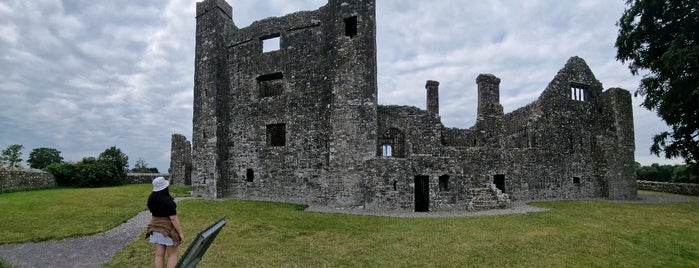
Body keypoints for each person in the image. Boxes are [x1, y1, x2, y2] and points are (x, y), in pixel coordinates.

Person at [145, 177, 184, 268]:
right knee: (172, 255)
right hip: (167, 230)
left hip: (154, 228)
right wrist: (180, 233)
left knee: (159, 255)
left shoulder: (151, 198)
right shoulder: (167, 201)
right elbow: (173, 218)